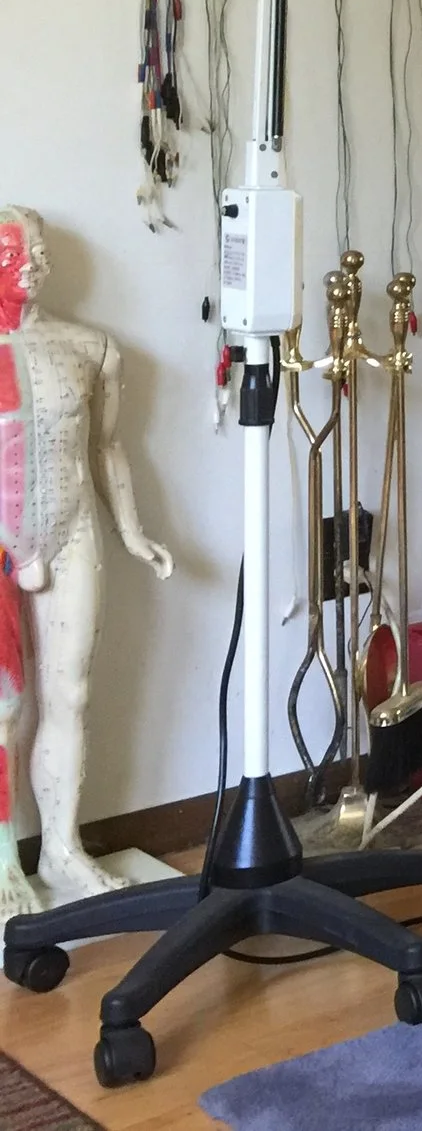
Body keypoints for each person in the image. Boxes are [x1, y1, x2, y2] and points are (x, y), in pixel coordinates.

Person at [0, 207, 174, 918]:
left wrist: (133, 531)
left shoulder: (88, 347)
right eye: (15, 251)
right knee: (3, 708)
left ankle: (63, 850)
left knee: (70, 693)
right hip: (3, 540)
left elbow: (106, 447)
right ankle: (4, 861)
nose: (33, 263)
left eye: (38, 249)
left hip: (73, 531)